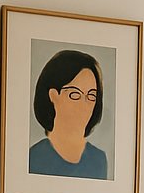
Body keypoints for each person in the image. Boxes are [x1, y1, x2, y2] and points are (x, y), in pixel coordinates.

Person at [28, 49, 108, 179]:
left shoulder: (99, 159)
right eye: (75, 94)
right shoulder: (34, 157)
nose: (84, 105)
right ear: (53, 95)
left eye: (91, 96)